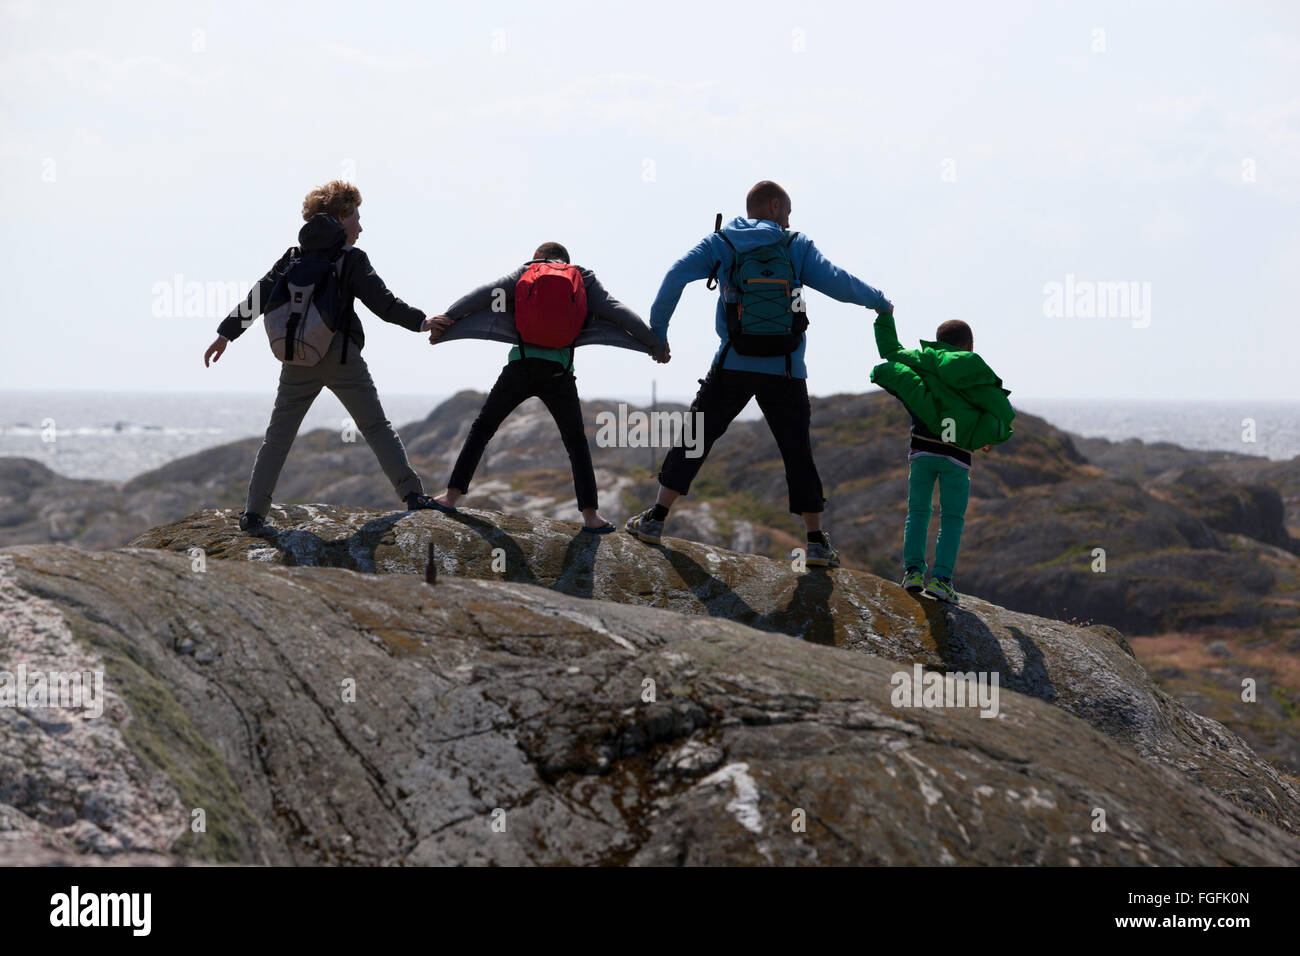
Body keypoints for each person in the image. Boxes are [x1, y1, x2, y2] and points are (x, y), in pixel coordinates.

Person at [625, 180, 893, 567]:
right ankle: (815, 543)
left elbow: (674, 276)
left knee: (697, 437)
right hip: (786, 368)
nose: (789, 219)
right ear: (773, 205)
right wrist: (879, 302)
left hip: (733, 362)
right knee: (796, 450)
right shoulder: (796, 245)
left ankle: (655, 519)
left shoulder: (722, 243)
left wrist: (658, 335)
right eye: (787, 210)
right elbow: (839, 282)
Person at [203, 180, 443, 532]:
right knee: (375, 426)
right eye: (356, 218)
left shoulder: (293, 258)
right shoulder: (352, 260)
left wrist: (226, 333)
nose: (360, 227)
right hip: (341, 358)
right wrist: (423, 322)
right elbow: (385, 305)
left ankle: (254, 513)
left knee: (278, 436)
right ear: (339, 217)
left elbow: (258, 296)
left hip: (295, 358)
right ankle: (412, 495)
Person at [425, 241, 668, 530]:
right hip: (559, 373)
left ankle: (451, 497)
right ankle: (591, 516)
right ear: (566, 260)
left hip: (521, 366)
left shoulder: (527, 271)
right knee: (576, 443)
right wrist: (655, 345)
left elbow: (483, 295)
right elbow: (619, 312)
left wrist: (447, 320)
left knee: (483, 429)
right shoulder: (583, 279)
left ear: (538, 257)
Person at [869, 313, 1015, 603]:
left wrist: (884, 315)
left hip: (922, 450)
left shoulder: (924, 362)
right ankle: (941, 580)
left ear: (937, 342)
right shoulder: (974, 371)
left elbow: (890, 350)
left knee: (918, 512)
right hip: (956, 457)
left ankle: (912, 573)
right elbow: (1001, 412)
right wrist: (985, 436)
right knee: (952, 518)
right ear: (969, 346)